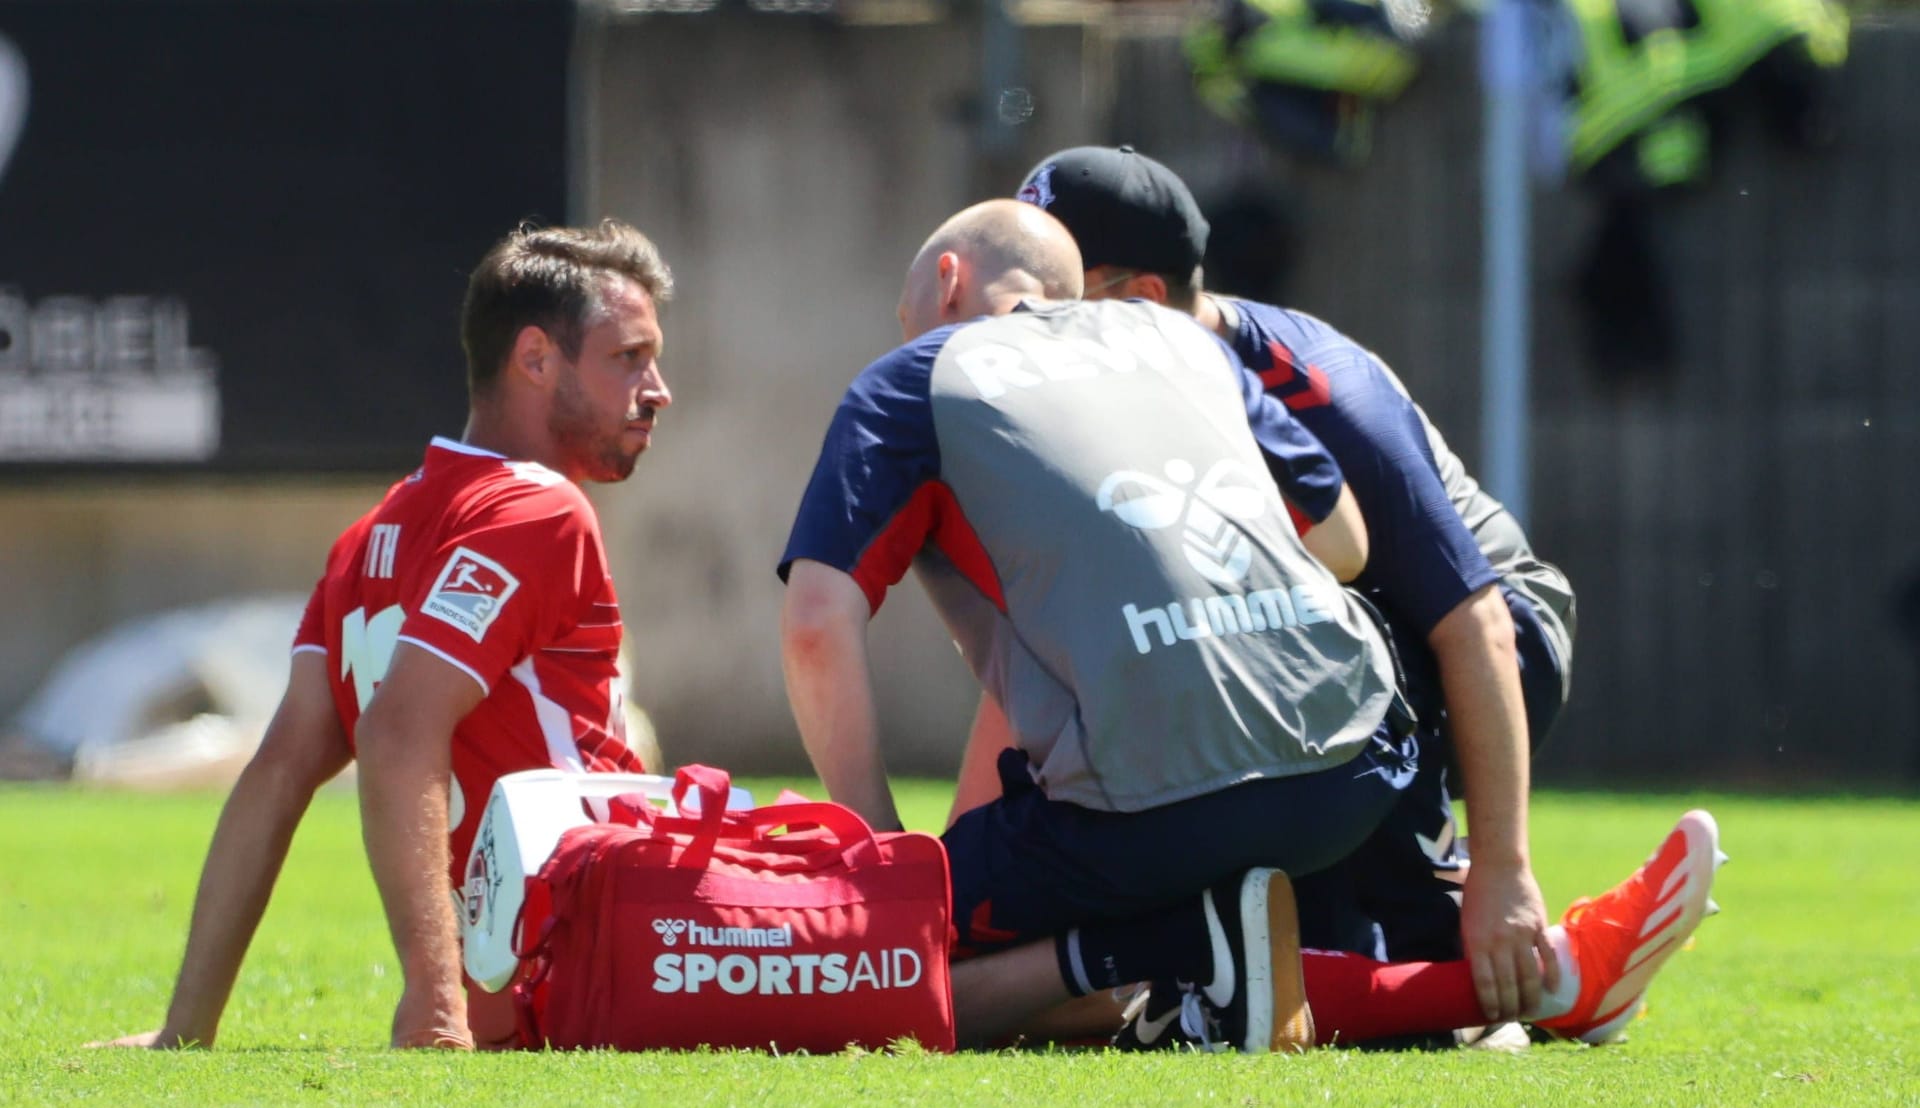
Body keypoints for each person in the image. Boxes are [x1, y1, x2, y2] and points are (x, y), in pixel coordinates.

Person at [782, 197, 1440, 1050]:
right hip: (1352, 770)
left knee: (862, 974)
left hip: (1142, 813)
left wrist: (881, 863)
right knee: (1188, 894)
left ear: (947, 284)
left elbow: (813, 621)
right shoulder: (1183, 342)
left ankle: (1159, 948)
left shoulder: (915, 379)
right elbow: (1344, 543)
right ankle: (1463, 987)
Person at [1016, 145, 1577, 1028]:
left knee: (1284, 628)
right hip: (1339, 660)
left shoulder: (1321, 388)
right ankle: (1491, 980)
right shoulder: (1100, 397)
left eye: (1052, 294)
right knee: (1286, 955)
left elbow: (1477, 626)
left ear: (1138, 300)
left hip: (1497, 637)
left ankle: (1452, 915)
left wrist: (1508, 874)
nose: (1023, 325)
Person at [94, 219, 675, 1051]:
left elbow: (276, 774)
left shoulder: (370, 537)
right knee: (864, 934)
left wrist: (184, 1032)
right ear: (537, 359)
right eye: (629, 357)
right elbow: (400, 732)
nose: (657, 387)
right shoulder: (540, 509)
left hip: (535, 993)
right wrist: (436, 1004)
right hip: (595, 981)